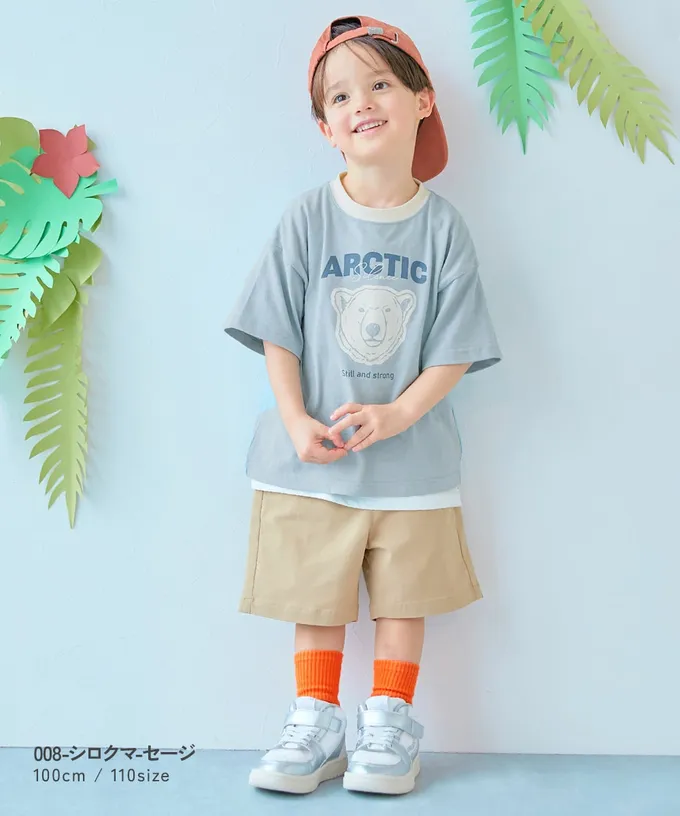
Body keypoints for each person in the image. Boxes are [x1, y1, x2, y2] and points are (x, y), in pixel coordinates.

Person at [224, 15, 502, 796]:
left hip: (412, 465)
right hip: (315, 459)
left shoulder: (443, 229)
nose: (362, 103)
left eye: (380, 84)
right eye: (341, 96)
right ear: (326, 128)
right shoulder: (306, 219)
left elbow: (454, 349)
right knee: (316, 590)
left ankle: (389, 724)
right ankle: (316, 722)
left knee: (405, 595)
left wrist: (400, 415)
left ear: (423, 100)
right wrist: (294, 419)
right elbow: (276, 330)